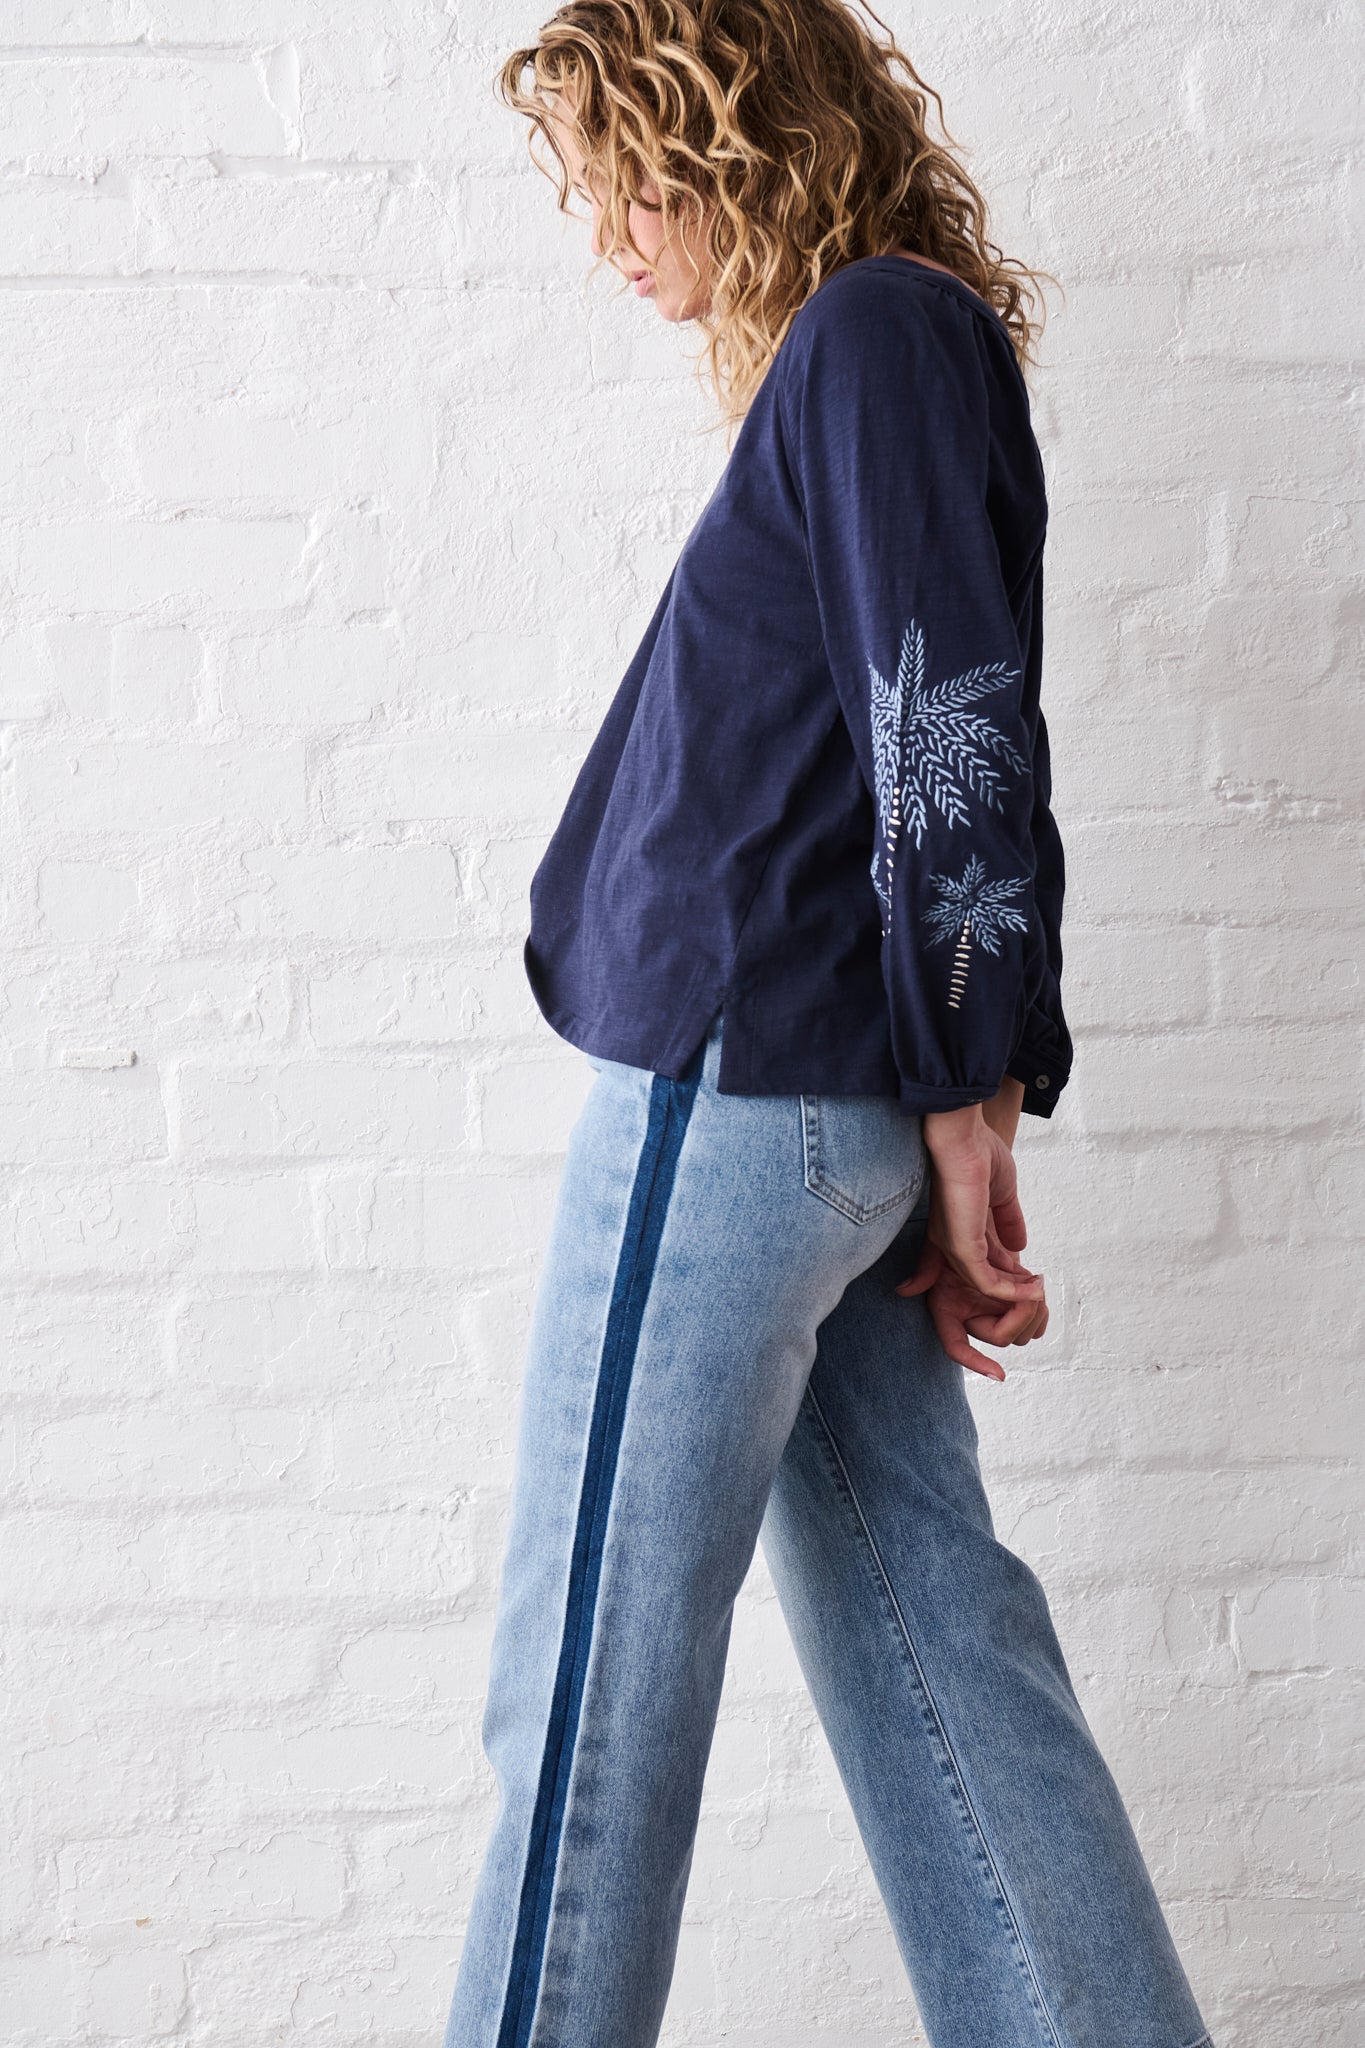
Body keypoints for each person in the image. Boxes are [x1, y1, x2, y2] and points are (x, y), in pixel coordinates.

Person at [444, 4, 1213, 2045]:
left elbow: (942, 736)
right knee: (931, 1639)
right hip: (821, 1095)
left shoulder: (870, 338)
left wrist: (972, 1097)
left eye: (638, 167)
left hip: (737, 1086)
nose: (607, 228)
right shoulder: (889, 342)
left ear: (741, 134)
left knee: (587, 1692)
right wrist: (940, 1102)